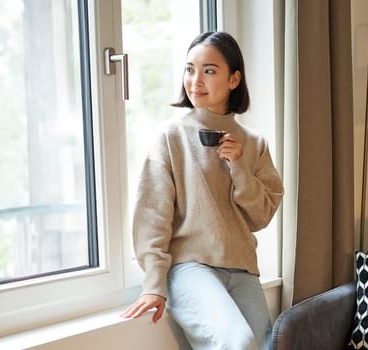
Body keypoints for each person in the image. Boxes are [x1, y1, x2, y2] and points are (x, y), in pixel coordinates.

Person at [120, 31, 283, 350]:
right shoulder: (170, 136)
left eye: (209, 70)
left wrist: (238, 165)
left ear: (234, 79)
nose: (195, 80)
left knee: (267, 345)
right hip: (190, 267)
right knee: (236, 342)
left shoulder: (254, 144)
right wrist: (154, 283)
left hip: (242, 267)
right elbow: (151, 216)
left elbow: (262, 214)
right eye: (189, 69)